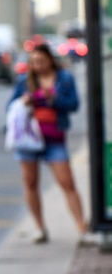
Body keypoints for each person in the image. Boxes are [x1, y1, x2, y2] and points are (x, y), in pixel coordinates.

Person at [7, 43, 91, 245]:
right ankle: (40, 228)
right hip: (28, 140)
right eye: (34, 62)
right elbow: (10, 106)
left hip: (54, 138)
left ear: (50, 60)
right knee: (30, 183)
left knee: (67, 182)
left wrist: (55, 99)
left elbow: (74, 104)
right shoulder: (24, 81)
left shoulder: (64, 78)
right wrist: (24, 101)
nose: (39, 66)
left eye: (42, 61)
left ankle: (82, 228)